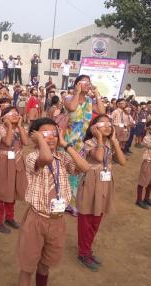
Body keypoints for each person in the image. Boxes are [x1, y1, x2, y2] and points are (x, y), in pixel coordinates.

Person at [17, 117, 90, 286]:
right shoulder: (32, 157)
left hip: (57, 221)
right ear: (35, 138)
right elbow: (46, 158)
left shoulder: (62, 158)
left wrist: (65, 145)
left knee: (45, 264)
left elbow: (85, 168)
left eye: (54, 134)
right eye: (45, 134)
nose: (51, 138)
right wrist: (41, 140)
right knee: (27, 267)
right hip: (36, 219)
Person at [76, 115, 126, 270]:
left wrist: (115, 140)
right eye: (102, 124)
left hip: (105, 182)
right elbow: (98, 158)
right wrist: (98, 138)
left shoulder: (111, 143)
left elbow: (123, 161)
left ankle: (88, 249)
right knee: (86, 220)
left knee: (97, 219)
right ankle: (83, 253)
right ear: (94, 127)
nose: (107, 126)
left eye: (109, 124)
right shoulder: (89, 143)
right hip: (91, 182)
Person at [64, 75, 105, 215]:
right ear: (77, 84)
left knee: (76, 174)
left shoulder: (89, 101)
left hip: (80, 144)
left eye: (89, 82)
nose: (88, 84)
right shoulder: (69, 98)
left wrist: (97, 94)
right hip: (66, 142)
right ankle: (62, 200)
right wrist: (77, 92)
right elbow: (72, 107)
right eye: (84, 82)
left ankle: (71, 202)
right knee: (64, 172)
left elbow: (102, 112)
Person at [0, 107, 28, 234]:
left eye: (16, 113)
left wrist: (19, 126)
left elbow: (25, 142)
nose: (15, 115)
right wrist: (9, 126)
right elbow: (8, 142)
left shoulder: (21, 128)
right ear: (4, 117)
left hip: (17, 161)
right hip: (5, 162)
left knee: (13, 190)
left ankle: (9, 217)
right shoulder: (0, 128)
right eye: (11, 114)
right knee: (1, 191)